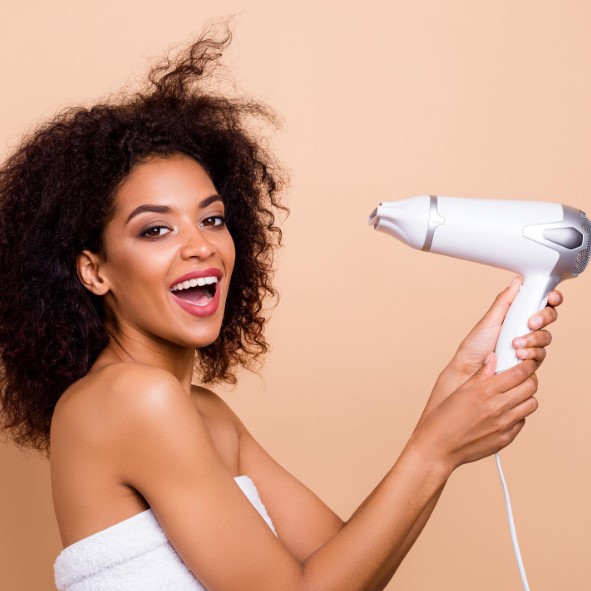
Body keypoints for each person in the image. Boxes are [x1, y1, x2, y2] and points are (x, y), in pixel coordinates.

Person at [0, 25, 562, 591]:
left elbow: (345, 570)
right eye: (155, 229)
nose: (200, 244)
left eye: (213, 218)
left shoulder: (205, 414)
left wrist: (450, 396)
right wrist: (434, 450)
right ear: (94, 270)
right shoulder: (131, 400)